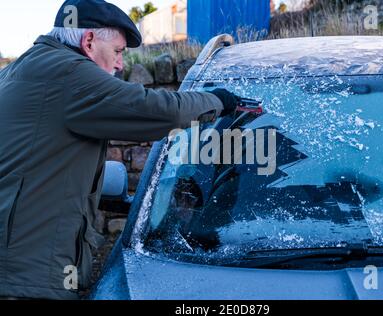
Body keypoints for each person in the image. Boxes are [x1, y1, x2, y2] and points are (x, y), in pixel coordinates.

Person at [0, 0, 238, 300]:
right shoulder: (69, 75)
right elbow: (156, 110)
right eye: (117, 51)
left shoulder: (22, 69)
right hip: (27, 282)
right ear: (88, 41)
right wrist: (218, 101)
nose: (120, 64)